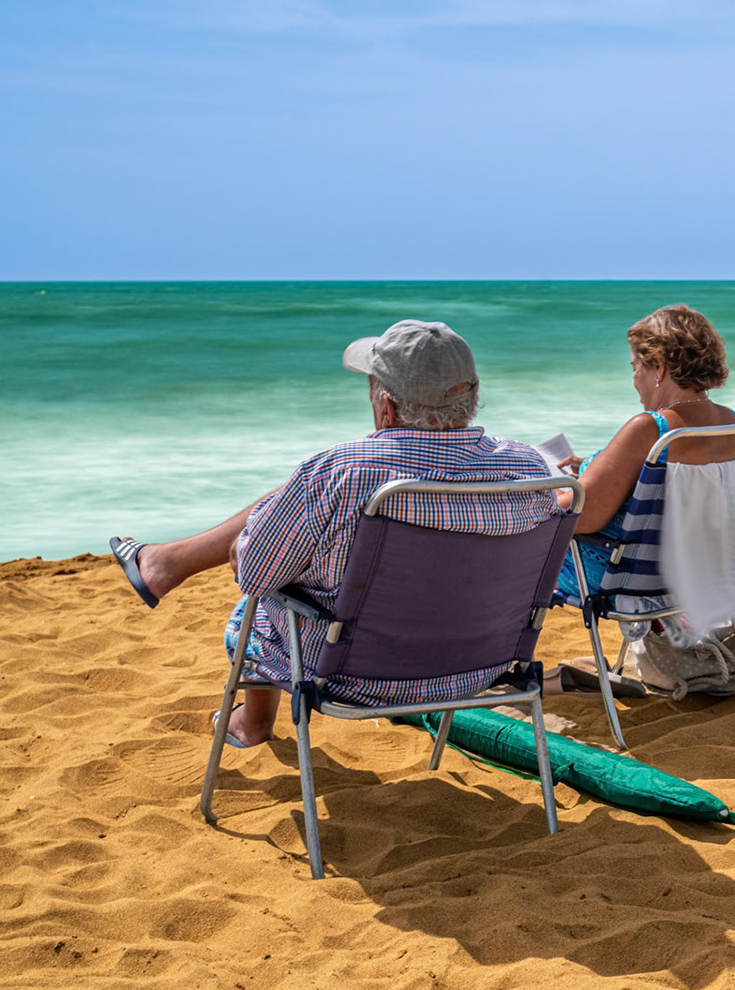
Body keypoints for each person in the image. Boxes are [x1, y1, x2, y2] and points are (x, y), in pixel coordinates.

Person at [108, 319, 557, 747]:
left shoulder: (342, 472)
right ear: (472, 397)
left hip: (353, 675)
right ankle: (166, 564)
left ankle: (250, 723)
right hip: (480, 668)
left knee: (262, 597)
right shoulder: (528, 469)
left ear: (387, 406)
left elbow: (253, 573)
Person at [554, 304, 735, 599]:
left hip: (625, 578)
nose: (634, 378)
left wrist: (548, 488)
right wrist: (601, 468)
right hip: (696, 575)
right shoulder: (731, 423)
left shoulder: (650, 430)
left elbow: (579, 516)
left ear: (658, 367)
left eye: (635, 367)